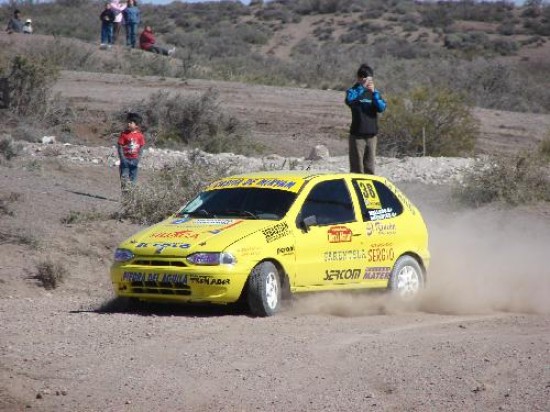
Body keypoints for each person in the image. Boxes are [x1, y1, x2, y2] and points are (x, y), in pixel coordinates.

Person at [345, 64, 387, 175]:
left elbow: (381, 107)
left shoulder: (374, 93)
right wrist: (362, 89)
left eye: (370, 79)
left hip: (371, 136)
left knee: (370, 168)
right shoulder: (352, 91)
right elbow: (350, 102)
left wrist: (374, 94)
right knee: (357, 168)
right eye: (366, 79)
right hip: (357, 136)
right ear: (360, 78)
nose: (369, 82)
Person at [117, 112, 146, 190]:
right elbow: (120, 146)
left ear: (136, 125)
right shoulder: (124, 134)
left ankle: (131, 196)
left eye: (131, 122)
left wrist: (138, 158)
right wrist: (122, 158)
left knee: (133, 179)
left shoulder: (140, 135)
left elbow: (141, 147)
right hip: (125, 160)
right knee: (124, 178)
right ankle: (125, 196)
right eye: (128, 122)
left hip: (134, 160)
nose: (128, 124)